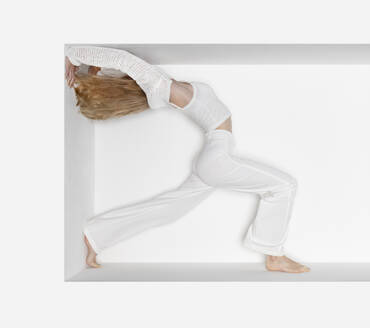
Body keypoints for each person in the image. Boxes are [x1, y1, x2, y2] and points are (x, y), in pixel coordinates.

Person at [65, 46, 310, 273]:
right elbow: (124, 60)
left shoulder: (161, 86)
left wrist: (94, 69)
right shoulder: (158, 85)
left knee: (169, 211)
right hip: (217, 157)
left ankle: (96, 236)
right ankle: (273, 254)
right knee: (284, 186)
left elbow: (120, 66)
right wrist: (73, 55)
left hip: (213, 156)